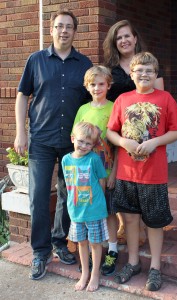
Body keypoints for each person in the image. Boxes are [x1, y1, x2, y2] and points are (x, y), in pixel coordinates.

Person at [14, 9, 92, 280]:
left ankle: (60, 242)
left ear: (75, 31)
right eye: (59, 26)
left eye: (69, 26)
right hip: (42, 140)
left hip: (74, 142)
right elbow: (23, 95)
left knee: (68, 194)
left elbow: (89, 101)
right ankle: (40, 250)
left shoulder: (84, 63)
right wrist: (20, 132)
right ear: (52, 29)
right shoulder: (35, 60)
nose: (64, 31)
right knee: (37, 198)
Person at [106, 52, 177, 291]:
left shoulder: (165, 98)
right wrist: (123, 143)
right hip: (127, 173)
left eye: (149, 70)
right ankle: (133, 262)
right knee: (129, 219)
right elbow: (111, 131)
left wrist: (155, 142)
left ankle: (155, 267)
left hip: (154, 173)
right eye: (139, 70)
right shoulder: (122, 99)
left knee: (154, 221)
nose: (144, 74)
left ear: (156, 74)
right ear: (131, 74)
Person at [103, 19, 164, 245]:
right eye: (118, 38)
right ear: (114, 43)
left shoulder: (148, 65)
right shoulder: (111, 70)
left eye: (127, 36)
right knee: (119, 178)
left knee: (145, 181)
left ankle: (145, 225)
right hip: (119, 133)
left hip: (147, 135)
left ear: (135, 38)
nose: (124, 40)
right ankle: (127, 224)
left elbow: (160, 102)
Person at [73, 66, 118, 276]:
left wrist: (114, 173)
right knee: (91, 212)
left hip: (106, 169)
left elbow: (118, 146)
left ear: (108, 85)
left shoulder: (114, 107)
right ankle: (93, 250)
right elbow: (76, 139)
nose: (97, 88)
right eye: (93, 84)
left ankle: (112, 249)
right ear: (87, 86)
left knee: (108, 211)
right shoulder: (83, 110)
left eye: (101, 84)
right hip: (85, 174)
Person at [62, 121, 108, 292]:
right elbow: (69, 184)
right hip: (76, 210)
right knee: (82, 243)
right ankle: (85, 273)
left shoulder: (94, 159)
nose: (84, 145)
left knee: (95, 243)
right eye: (81, 141)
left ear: (93, 145)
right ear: (73, 138)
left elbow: (102, 180)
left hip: (94, 210)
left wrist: (99, 201)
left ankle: (95, 274)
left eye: (88, 143)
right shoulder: (66, 160)